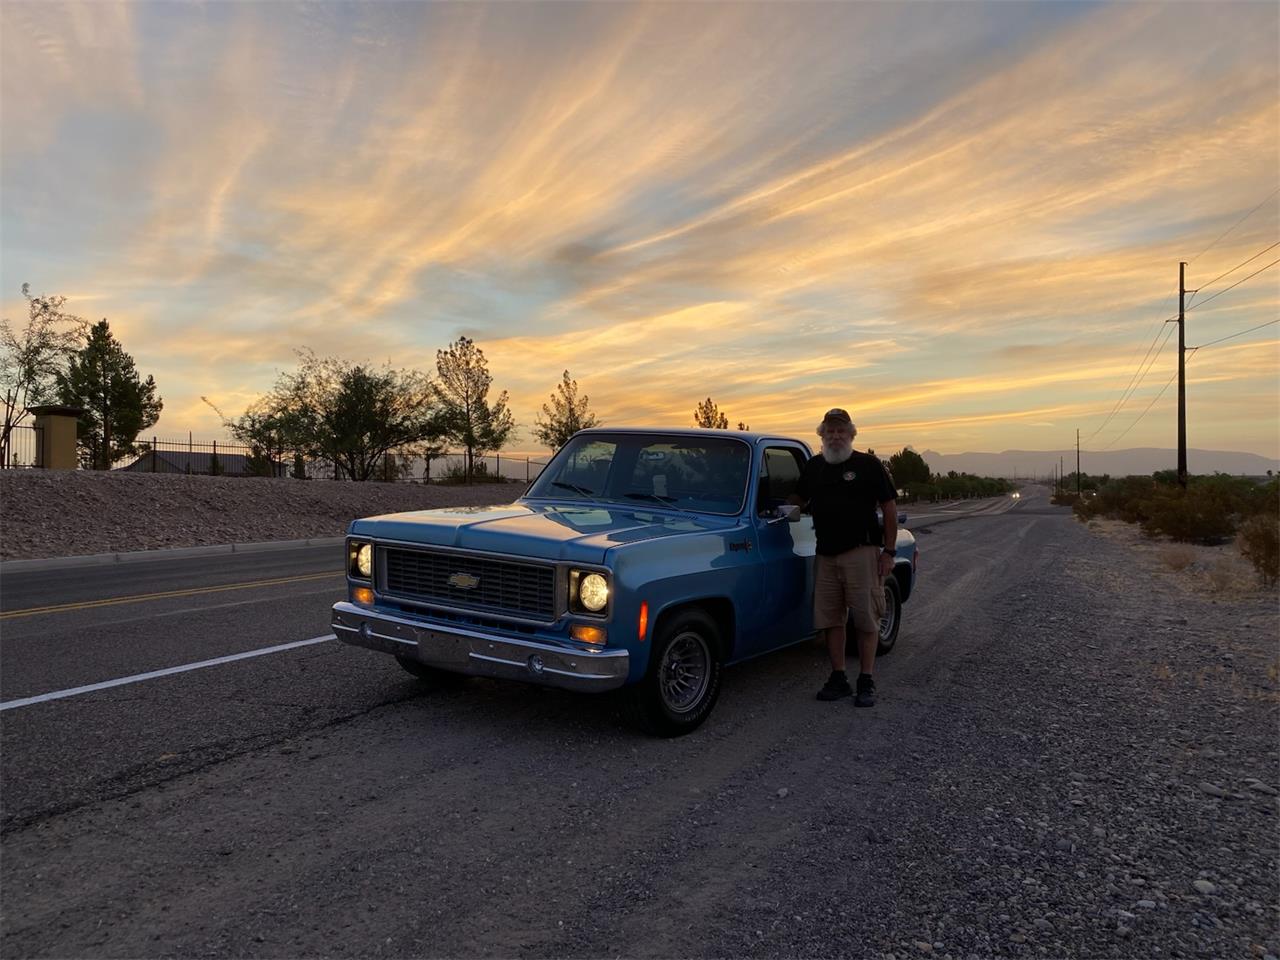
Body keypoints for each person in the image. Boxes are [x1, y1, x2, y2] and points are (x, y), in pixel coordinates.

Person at [781, 408, 897, 707]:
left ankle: (867, 680)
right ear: (821, 435)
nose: (835, 436)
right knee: (831, 620)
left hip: (862, 552)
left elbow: (889, 507)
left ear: (851, 434)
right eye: (829, 431)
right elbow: (799, 497)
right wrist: (781, 508)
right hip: (826, 554)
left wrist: (888, 551)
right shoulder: (815, 467)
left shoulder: (868, 465)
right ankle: (839, 677)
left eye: (841, 431)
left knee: (866, 619)